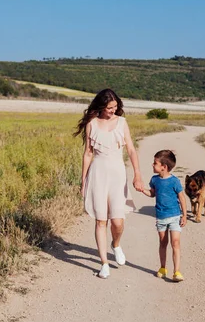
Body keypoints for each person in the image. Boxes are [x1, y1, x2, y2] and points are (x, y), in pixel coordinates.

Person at [74, 89, 144, 279]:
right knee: (100, 220)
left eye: (115, 107)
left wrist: (137, 174)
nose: (113, 110)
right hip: (97, 174)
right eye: (109, 107)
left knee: (117, 221)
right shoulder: (91, 124)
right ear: (100, 106)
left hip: (117, 174)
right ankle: (104, 263)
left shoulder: (121, 122)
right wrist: (83, 180)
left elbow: (130, 148)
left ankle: (116, 244)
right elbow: (88, 153)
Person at [141, 150, 187, 282]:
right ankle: (162, 267)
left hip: (174, 216)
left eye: (155, 163)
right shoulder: (154, 180)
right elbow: (152, 194)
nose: (152, 165)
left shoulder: (174, 181)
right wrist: (142, 190)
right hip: (161, 217)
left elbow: (182, 198)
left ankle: (177, 271)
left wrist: (184, 215)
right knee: (163, 242)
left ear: (164, 167)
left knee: (175, 242)